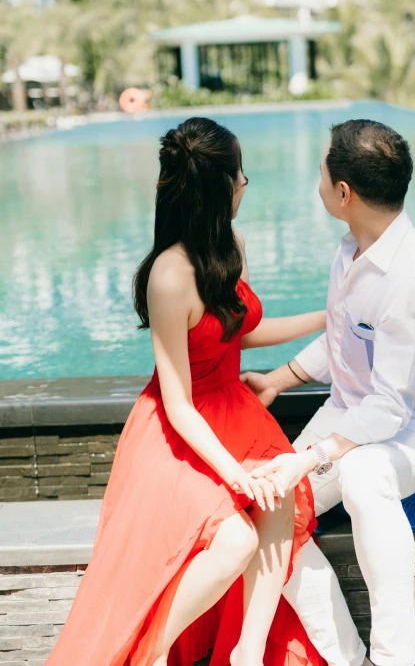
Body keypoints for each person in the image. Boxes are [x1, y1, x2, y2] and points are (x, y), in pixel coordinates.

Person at [45, 117, 327, 666]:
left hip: (231, 410)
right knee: (236, 540)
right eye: (240, 176)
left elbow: (239, 328)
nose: (245, 184)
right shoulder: (169, 276)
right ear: (222, 186)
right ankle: (150, 656)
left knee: (278, 494)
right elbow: (176, 402)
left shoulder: (231, 245)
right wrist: (235, 472)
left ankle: (247, 654)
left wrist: (326, 317)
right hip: (178, 429)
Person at [242, 119, 415, 666]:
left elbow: (389, 407)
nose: (316, 181)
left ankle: (392, 660)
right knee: (268, 514)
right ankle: (348, 659)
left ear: (344, 193)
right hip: (347, 418)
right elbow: (342, 335)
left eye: (322, 172)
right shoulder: (353, 246)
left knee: (364, 473)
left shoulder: (410, 277)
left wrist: (309, 459)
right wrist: (277, 380)